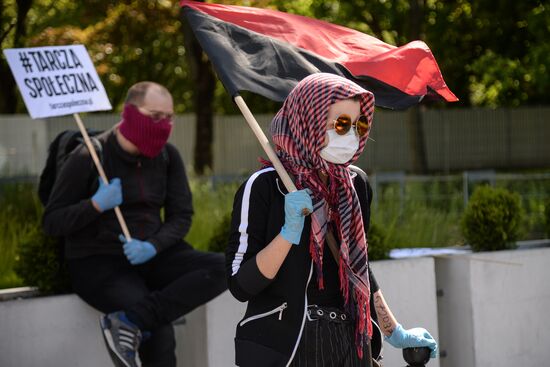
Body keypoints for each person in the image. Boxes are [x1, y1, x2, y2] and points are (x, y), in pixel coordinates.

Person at [225, 73, 437, 367]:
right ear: (308, 120)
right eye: (340, 124)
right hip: (285, 348)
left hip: (348, 343)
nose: (351, 134)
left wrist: (393, 330)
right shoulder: (263, 186)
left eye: (358, 124)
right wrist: (288, 234)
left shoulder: (354, 184)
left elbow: (357, 265)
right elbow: (240, 285)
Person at [43, 81, 227, 367]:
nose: (164, 124)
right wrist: (94, 205)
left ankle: (129, 321)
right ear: (129, 112)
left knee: (224, 267)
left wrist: (153, 246)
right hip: (99, 262)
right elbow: (52, 221)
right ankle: (141, 321)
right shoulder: (90, 155)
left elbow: (182, 216)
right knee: (159, 331)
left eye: (169, 117)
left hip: (151, 253)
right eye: (155, 116)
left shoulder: (168, 156)